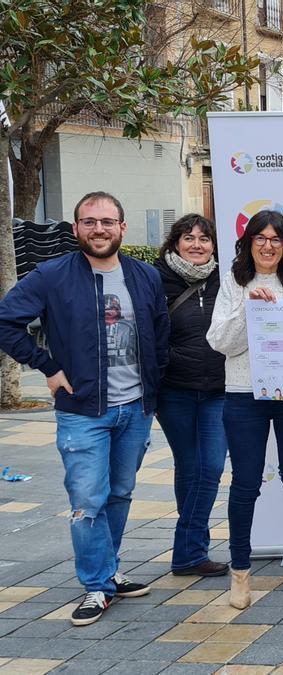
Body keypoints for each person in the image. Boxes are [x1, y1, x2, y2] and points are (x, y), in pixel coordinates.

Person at [0, 191, 168, 626]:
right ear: (76, 228)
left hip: (134, 408)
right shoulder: (52, 275)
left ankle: (108, 573)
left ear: (122, 228)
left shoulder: (144, 275)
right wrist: (48, 368)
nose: (99, 229)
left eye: (107, 221)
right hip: (82, 411)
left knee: (119, 493)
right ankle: (96, 585)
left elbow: (159, 333)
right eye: (89, 221)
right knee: (86, 502)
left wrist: (154, 386)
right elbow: (6, 321)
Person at [207, 210, 283, 609]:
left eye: (276, 239)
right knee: (245, 484)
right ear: (248, 242)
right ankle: (240, 572)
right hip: (244, 394)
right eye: (260, 237)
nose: (267, 245)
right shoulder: (234, 282)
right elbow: (220, 342)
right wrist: (249, 308)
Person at [153, 214, 229, 578]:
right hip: (175, 391)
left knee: (210, 467)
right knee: (190, 467)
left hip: (218, 390)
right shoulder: (156, 279)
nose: (197, 244)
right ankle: (192, 552)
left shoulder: (226, 278)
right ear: (175, 242)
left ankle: (187, 549)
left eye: (205, 238)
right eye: (189, 237)